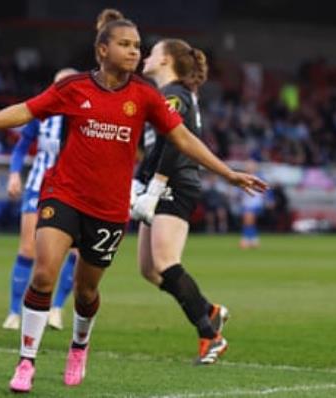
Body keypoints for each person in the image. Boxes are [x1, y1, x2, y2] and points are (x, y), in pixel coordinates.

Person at [0, 8, 267, 393]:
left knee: (86, 290)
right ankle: (26, 361)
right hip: (64, 194)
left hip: (108, 209)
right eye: (124, 44)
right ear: (102, 51)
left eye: (137, 46)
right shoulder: (74, 87)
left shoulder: (145, 95)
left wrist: (227, 173)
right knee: (44, 273)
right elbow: (26, 110)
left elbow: (182, 139)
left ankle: (79, 346)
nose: (133, 51)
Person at [130, 38, 230, 365]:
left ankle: (209, 334)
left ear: (166, 60)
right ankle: (208, 310)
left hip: (174, 182)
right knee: (148, 268)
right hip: (157, 182)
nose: (145, 56)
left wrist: (156, 186)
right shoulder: (166, 94)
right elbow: (156, 146)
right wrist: (138, 181)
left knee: (165, 261)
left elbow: (174, 143)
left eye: (152, 52)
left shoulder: (174, 95)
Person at [3, 68, 79, 331]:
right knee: (28, 249)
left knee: (75, 252)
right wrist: (14, 173)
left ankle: (56, 308)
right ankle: (14, 311)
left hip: (74, 191)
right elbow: (22, 145)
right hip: (38, 186)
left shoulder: (85, 117)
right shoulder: (42, 115)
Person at [238, 160, 265, 249]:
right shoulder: (243, 178)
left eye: (251, 166)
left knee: (248, 220)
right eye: (248, 166)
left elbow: (265, 189)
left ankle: (246, 240)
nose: (249, 167)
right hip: (246, 203)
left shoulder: (259, 177)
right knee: (249, 222)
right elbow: (239, 192)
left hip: (255, 203)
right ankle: (253, 240)